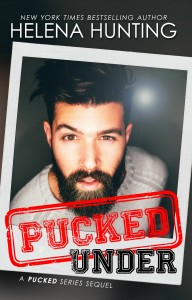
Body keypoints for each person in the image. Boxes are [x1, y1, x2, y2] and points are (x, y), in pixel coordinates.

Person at [10, 60, 167, 233]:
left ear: (126, 135)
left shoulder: (154, 173)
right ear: (49, 135)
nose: (90, 163)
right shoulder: (22, 222)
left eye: (107, 137)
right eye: (70, 137)